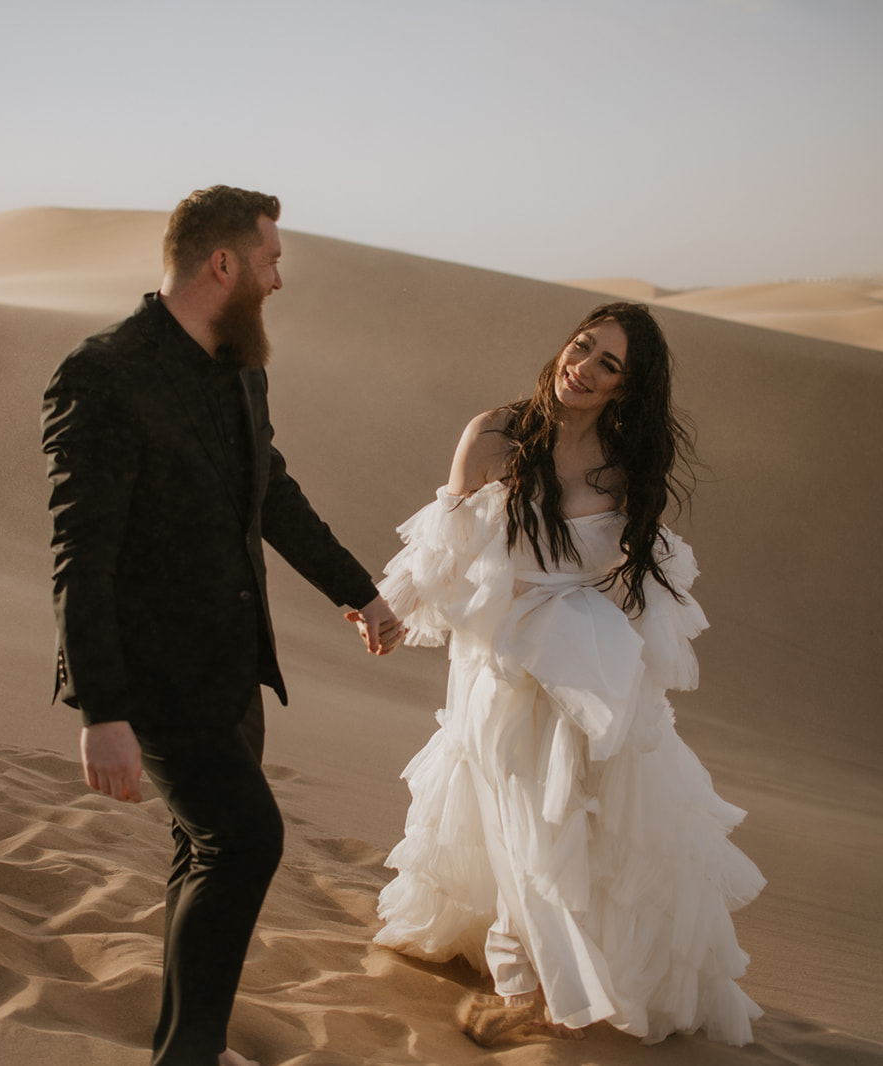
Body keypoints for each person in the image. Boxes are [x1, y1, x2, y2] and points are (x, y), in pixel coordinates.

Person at [40, 185, 403, 1066]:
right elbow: (80, 555)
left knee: (201, 852)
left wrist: (360, 592)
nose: (279, 281)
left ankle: (179, 1044)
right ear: (223, 264)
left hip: (234, 675)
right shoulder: (106, 373)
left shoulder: (241, 366)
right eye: (271, 261)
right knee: (245, 842)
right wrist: (101, 711)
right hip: (155, 683)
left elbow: (269, 492)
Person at [370, 303, 764, 1047]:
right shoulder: (495, 434)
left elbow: (639, 577)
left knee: (584, 827)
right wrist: (391, 609)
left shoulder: (627, 467)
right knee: (523, 823)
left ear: (626, 389)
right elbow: (443, 545)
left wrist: (636, 683)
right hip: (503, 663)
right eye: (582, 348)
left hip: (587, 663)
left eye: (607, 364)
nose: (582, 367)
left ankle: (588, 972)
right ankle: (523, 985)